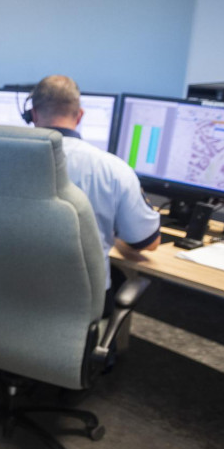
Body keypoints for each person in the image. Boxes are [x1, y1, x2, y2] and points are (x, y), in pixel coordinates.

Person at [29, 75, 160, 298]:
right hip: (82, 303)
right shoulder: (114, 169)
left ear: (33, 114)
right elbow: (148, 243)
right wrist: (110, 232)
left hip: (10, 296)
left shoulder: (4, 163)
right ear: (80, 115)